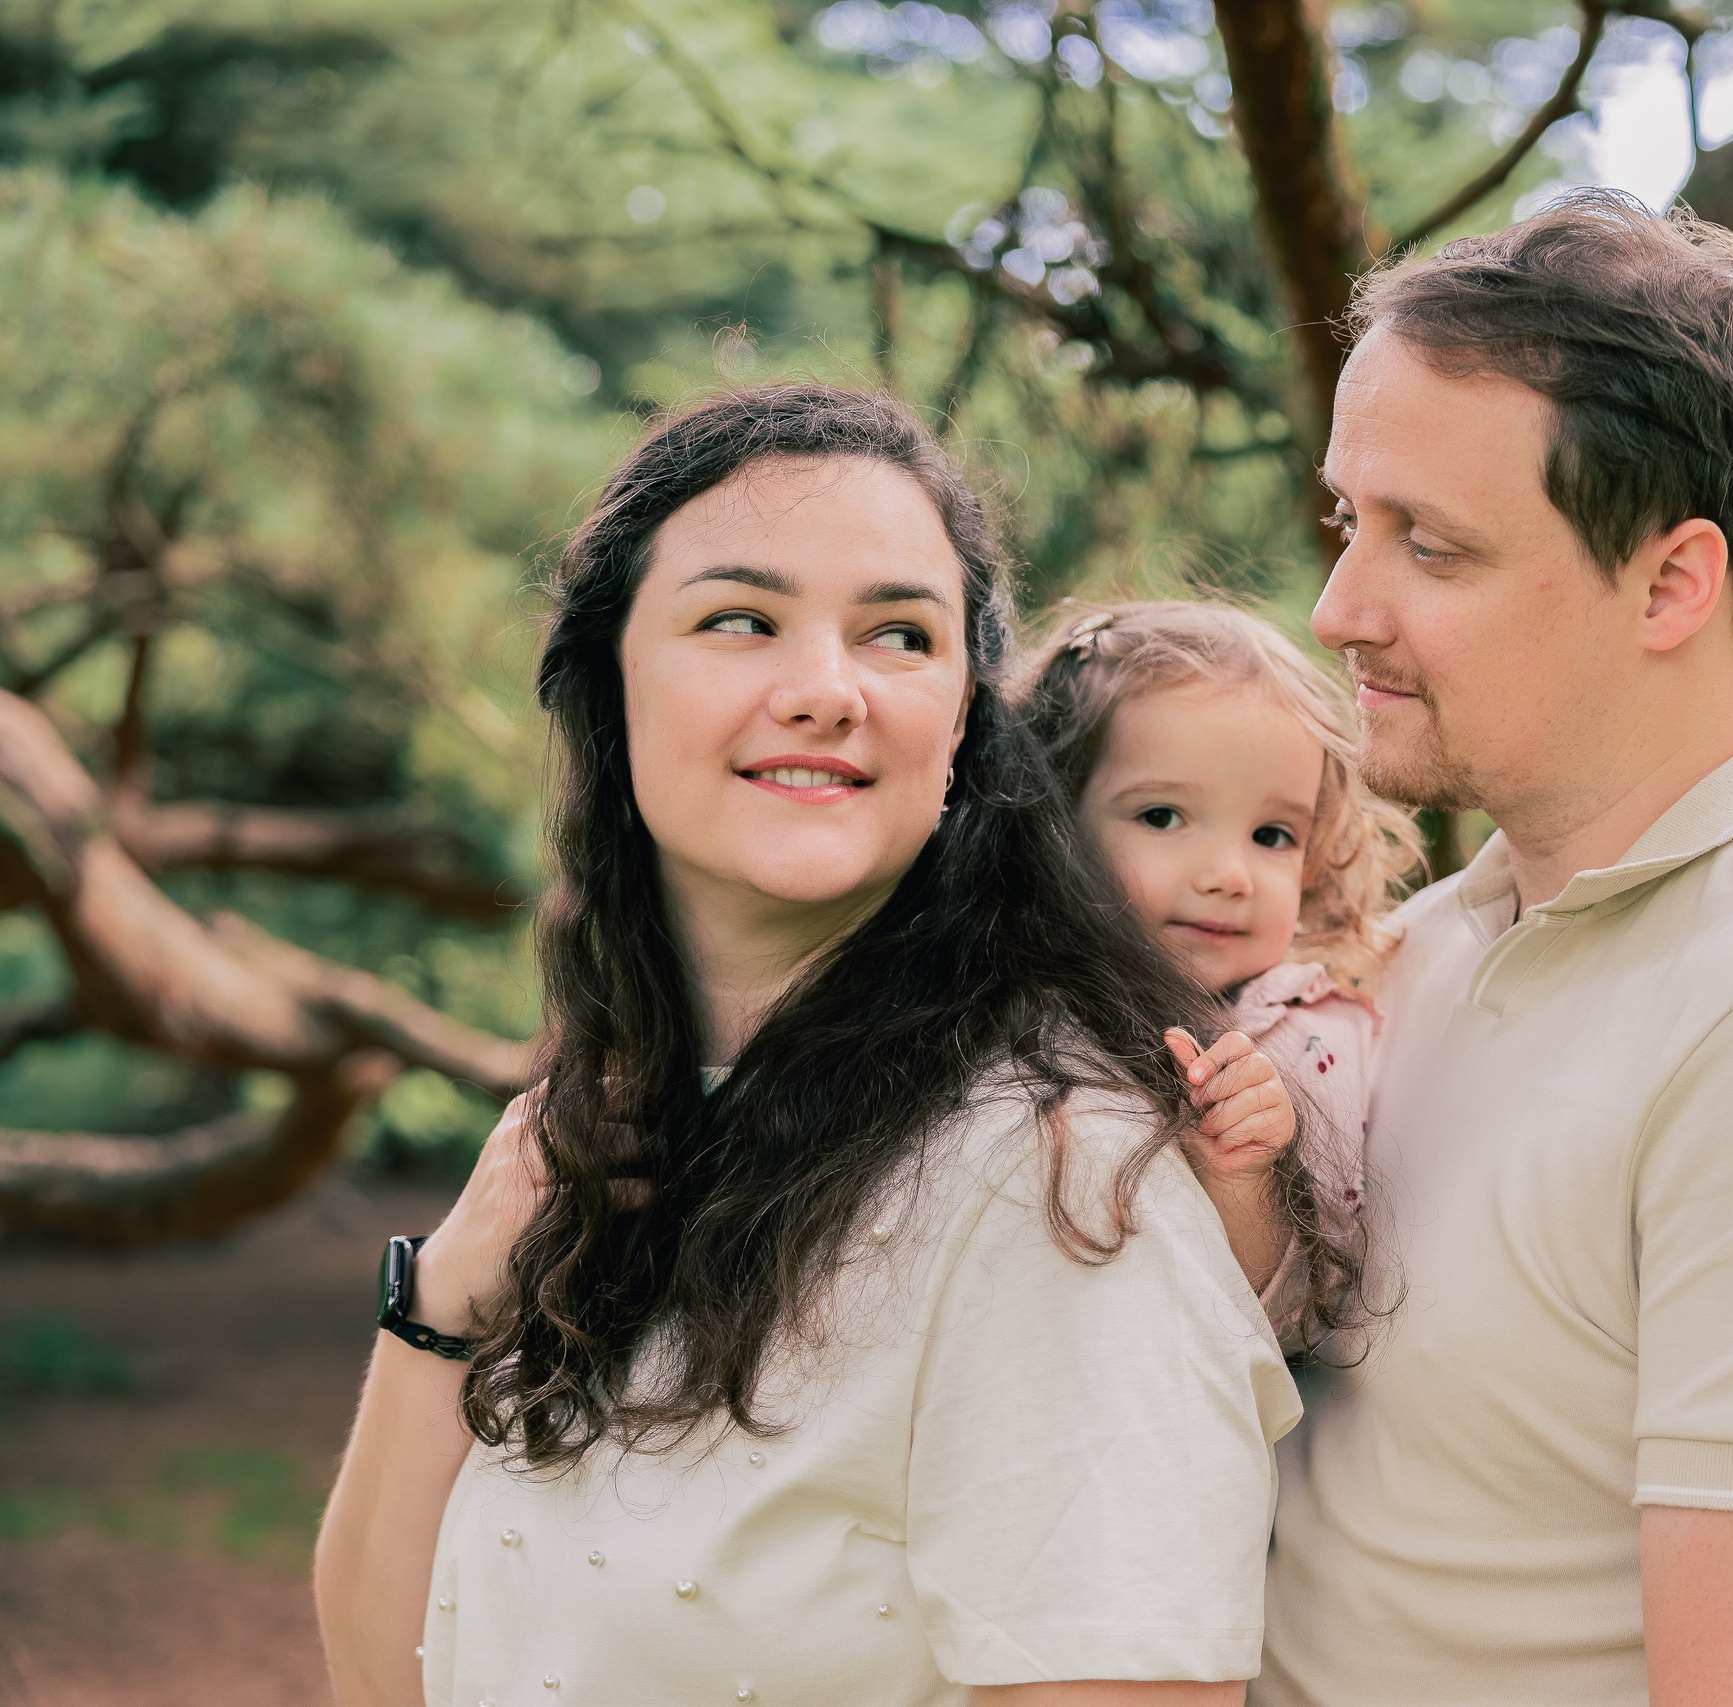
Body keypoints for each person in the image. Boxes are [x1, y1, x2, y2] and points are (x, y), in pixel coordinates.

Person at [313, 384, 1315, 1707]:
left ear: (962, 727)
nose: (826, 691)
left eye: (898, 634)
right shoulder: (588, 1143)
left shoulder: (1060, 1182)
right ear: (611, 682)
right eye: (741, 619)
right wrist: (445, 1296)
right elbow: (386, 1675)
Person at [1258, 192, 1733, 1704]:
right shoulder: (1437, 937)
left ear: (1673, 583)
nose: (1338, 605)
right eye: (1350, 520)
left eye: (1431, 545)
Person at [1012, 600, 1420, 1334]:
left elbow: (1305, 1315)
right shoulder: (999, 994)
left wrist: (1245, 1178)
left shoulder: (1303, 1036)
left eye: (1272, 834)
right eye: (1162, 816)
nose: (1230, 876)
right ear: (1054, 823)